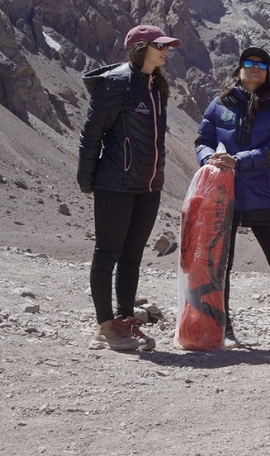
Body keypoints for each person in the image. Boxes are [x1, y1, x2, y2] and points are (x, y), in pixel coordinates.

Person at [194, 47, 270, 349]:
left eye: (262, 64)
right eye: (249, 62)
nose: (255, 67)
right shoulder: (220, 104)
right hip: (224, 197)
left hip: (263, 196)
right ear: (239, 68)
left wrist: (237, 160)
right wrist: (210, 159)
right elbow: (203, 141)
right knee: (222, 264)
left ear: (268, 72)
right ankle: (224, 325)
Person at [77, 24, 181, 351]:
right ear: (140, 48)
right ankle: (105, 325)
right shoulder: (116, 83)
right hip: (115, 184)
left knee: (133, 257)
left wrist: (157, 178)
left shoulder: (156, 86)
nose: (166, 50)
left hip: (148, 186)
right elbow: (92, 134)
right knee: (107, 253)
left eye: (167, 46)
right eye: (159, 46)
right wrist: (86, 179)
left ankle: (124, 322)